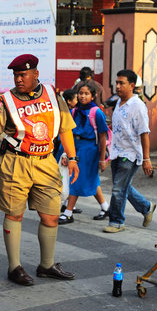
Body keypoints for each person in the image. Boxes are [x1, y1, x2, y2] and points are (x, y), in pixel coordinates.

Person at [0, 54, 79, 286]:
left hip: (46, 161)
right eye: (15, 75)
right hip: (15, 162)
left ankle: (47, 265)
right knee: (14, 214)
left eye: (23, 75)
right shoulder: (6, 100)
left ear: (35, 74)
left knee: (51, 215)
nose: (18, 79)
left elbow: (65, 128)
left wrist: (72, 157)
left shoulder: (53, 95)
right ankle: (14, 267)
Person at [103, 69, 156, 233]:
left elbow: (144, 133)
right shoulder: (119, 102)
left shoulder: (138, 106)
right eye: (116, 83)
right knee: (123, 186)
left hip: (131, 155)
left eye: (121, 83)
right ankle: (146, 207)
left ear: (131, 85)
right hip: (117, 152)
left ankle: (117, 222)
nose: (117, 86)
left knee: (118, 189)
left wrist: (146, 159)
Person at [58, 83, 110, 225]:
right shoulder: (74, 112)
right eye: (80, 93)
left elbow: (102, 136)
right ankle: (106, 207)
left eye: (86, 93)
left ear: (93, 96)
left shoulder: (96, 112)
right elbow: (67, 133)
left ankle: (68, 213)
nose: (82, 96)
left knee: (76, 177)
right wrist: (65, 153)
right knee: (91, 179)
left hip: (89, 148)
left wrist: (102, 159)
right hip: (76, 146)